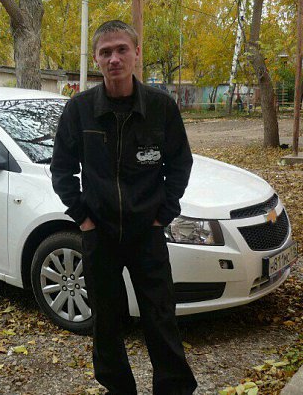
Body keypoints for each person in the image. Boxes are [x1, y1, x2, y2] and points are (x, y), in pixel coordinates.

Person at [50, 20, 197, 395]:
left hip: (147, 234)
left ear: (136, 54)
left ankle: (174, 389)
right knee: (106, 321)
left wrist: (163, 214)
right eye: (105, 52)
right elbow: (62, 170)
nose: (114, 58)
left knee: (160, 316)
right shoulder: (79, 110)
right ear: (96, 60)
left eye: (121, 49)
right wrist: (83, 219)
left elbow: (180, 164)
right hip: (99, 235)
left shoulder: (161, 108)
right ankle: (118, 388)